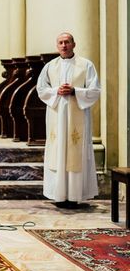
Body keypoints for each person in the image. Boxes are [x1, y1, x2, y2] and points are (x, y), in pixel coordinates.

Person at [36, 32, 101, 208]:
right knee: (58, 151)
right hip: (57, 115)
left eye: (67, 42)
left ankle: (74, 195)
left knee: (75, 150)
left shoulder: (86, 65)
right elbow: (41, 89)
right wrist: (56, 91)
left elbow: (95, 89)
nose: (64, 45)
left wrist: (75, 91)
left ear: (74, 44)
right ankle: (59, 195)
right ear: (57, 46)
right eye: (60, 43)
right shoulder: (50, 66)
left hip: (77, 114)